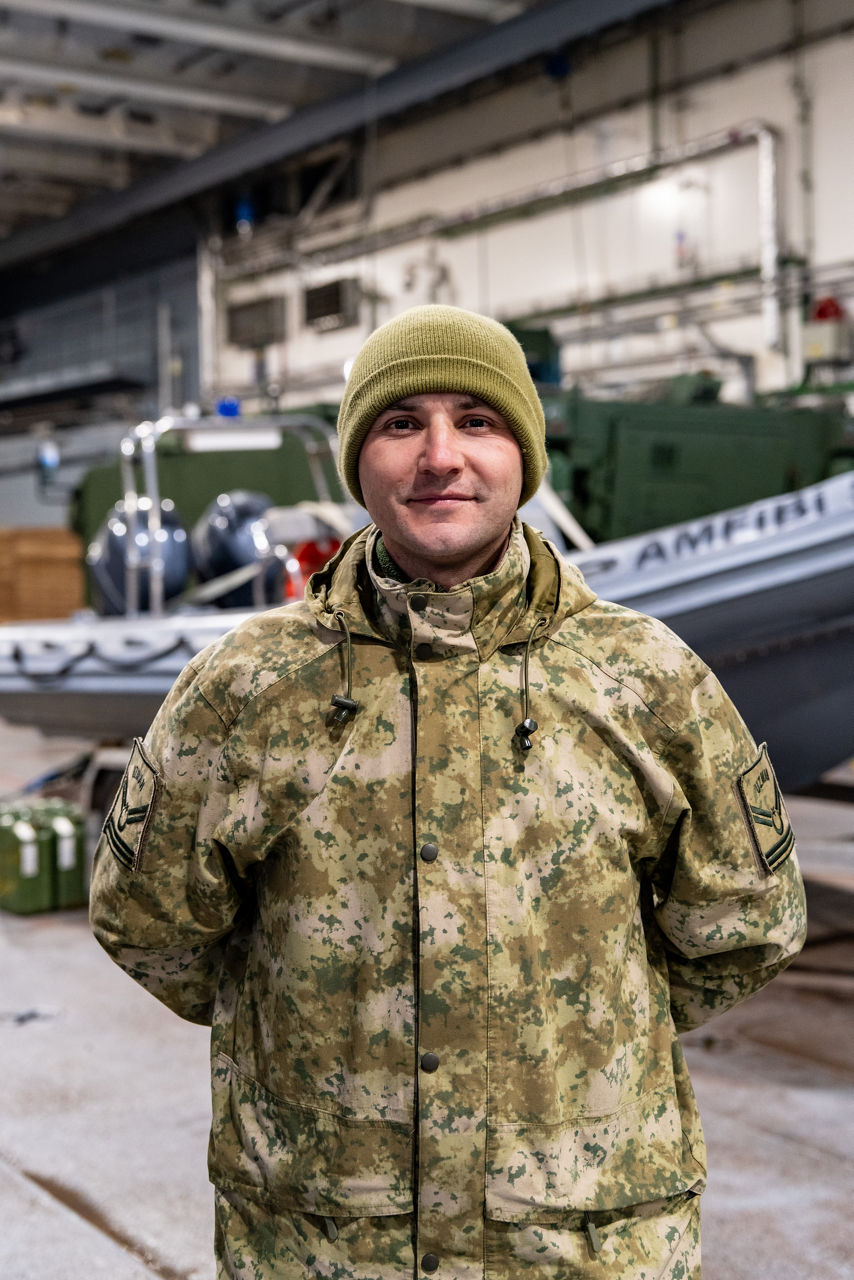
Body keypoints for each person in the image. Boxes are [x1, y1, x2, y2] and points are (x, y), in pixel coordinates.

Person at [90, 304, 806, 1279]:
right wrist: (305, 1031)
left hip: (576, 1241)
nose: (439, 455)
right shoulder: (246, 687)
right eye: (400, 423)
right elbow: (150, 920)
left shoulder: (644, 679)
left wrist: (581, 1034)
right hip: (327, 1240)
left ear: (522, 451)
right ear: (358, 461)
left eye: (476, 420)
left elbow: (746, 921)